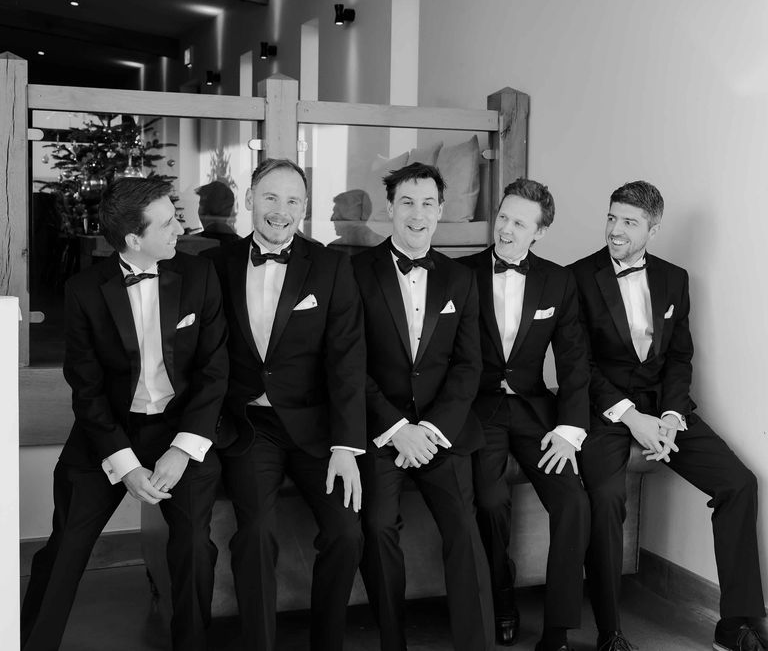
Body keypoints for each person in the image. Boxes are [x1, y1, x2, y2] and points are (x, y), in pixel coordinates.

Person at [21, 177, 228, 651]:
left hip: (182, 431)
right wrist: (126, 464)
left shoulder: (200, 275)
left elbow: (216, 371)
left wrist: (183, 449)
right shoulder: (84, 290)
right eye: (170, 222)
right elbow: (86, 389)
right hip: (109, 433)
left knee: (195, 547)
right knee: (65, 548)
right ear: (134, 239)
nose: (182, 227)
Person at [570, 181, 766, 651]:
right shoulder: (575, 277)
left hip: (667, 408)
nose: (616, 230)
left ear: (653, 229)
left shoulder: (675, 278)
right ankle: (610, 631)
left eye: (630, 222)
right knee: (607, 497)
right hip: (607, 411)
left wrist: (674, 417)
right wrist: (631, 417)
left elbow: (680, 358)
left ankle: (734, 622)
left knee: (740, 483)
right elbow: (578, 365)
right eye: (612, 217)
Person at [203, 158, 366, 651]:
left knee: (347, 531)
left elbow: (347, 361)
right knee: (255, 534)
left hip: (317, 429)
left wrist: (346, 447)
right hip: (250, 427)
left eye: (293, 200)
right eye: (271, 198)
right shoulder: (214, 265)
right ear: (250, 200)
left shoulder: (333, 266)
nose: (281, 211)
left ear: (305, 207)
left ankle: (328, 643)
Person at [351, 162, 494, 651]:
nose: (418, 214)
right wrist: (396, 429)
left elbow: (468, 366)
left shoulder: (460, 278)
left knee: (463, 527)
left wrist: (431, 429)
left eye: (428, 203)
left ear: (441, 210)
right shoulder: (355, 272)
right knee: (375, 525)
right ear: (390, 207)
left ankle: (475, 644)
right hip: (379, 429)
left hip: (442, 430)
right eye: (407, 202)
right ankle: (394, 641)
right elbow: (350, 365)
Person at [460, 178, 591, 651]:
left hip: (537, 411)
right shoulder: (461, 273)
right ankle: (501, 598)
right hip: (478, 410)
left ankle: (558, 626)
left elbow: (575, 359)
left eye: (519, 223)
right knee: (490, 502)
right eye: (503, 217)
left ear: (539, 232)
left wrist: (570, 427)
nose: (507, 229)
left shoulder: (558, 280)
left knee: (573, 502)